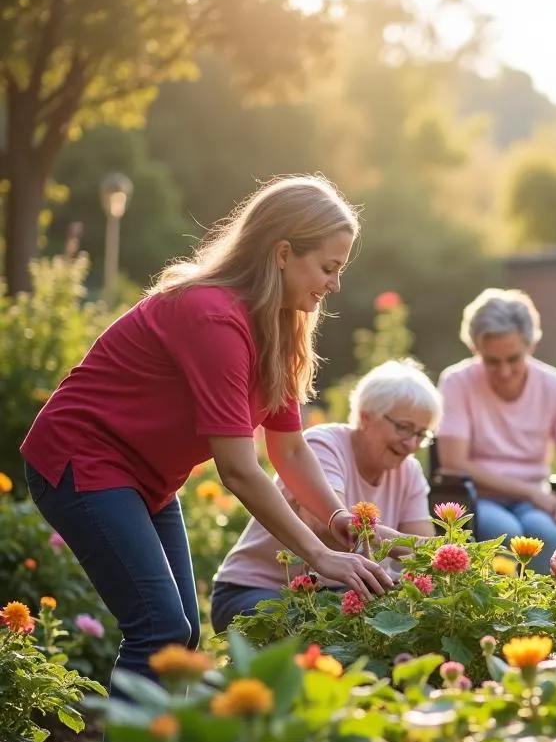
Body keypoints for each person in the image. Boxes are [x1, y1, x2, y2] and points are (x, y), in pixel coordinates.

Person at [20, 174, 394, 687]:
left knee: (181, 632)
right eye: (328, 268)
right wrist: (319, 555)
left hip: (147, 476)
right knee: (159, 629)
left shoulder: (281, 326)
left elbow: (287, 447)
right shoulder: (212, 316)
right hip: (81, 459)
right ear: (283, 252)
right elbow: (239, 470)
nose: (335, 285)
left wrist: (335, 518)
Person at [211, 358, 440, 632]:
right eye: (404, 428)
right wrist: (421, 547)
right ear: (367, 416)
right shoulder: (323, 445)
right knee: (325, 639)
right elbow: (330, 529)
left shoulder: (409, 470)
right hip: (261, 591)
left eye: (421, 434)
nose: (412, 444)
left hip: (340, 595)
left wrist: (439, 555)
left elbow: (423, 551)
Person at [436, 287, 556, 573]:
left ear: (530, 346)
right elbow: (453, 462)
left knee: (547, 535)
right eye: (491, 361)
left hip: (530, 502)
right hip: (477, 499)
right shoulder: (457, 382)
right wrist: (532, 493)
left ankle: (541, 616)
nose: (504, 371)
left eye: (513, 359)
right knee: (504, 530)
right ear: (475, 348)